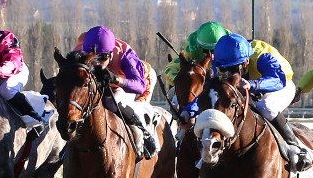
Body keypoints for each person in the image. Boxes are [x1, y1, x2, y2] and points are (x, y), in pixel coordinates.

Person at [213, 32, 312, 171]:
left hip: (280, 84)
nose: (230, 73)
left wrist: (252, 85)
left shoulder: (261, 56)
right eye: (225, 69)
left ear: (246, 61)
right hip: (254, 86)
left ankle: (298, 149)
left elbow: (278, 80)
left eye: (235, 69)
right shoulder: (221, 58)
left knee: (266, 106)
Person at [78, 25, 157, 159]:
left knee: (112, 103)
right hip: (100, 85)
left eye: (101, 59)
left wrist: (115, 79)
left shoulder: (125, 54)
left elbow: (139, 86)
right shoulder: (81, 48)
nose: (96, 64)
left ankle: (144, 133)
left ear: (111, 54)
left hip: (133, 83)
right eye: (91, 58)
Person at [163, 21, 230, 88]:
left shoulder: (232, 45)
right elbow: (170, 69)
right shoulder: (190, 50)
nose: (211, 55)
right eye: (206, 50)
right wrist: (180, 81)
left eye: (215, 51)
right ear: (199, 46)